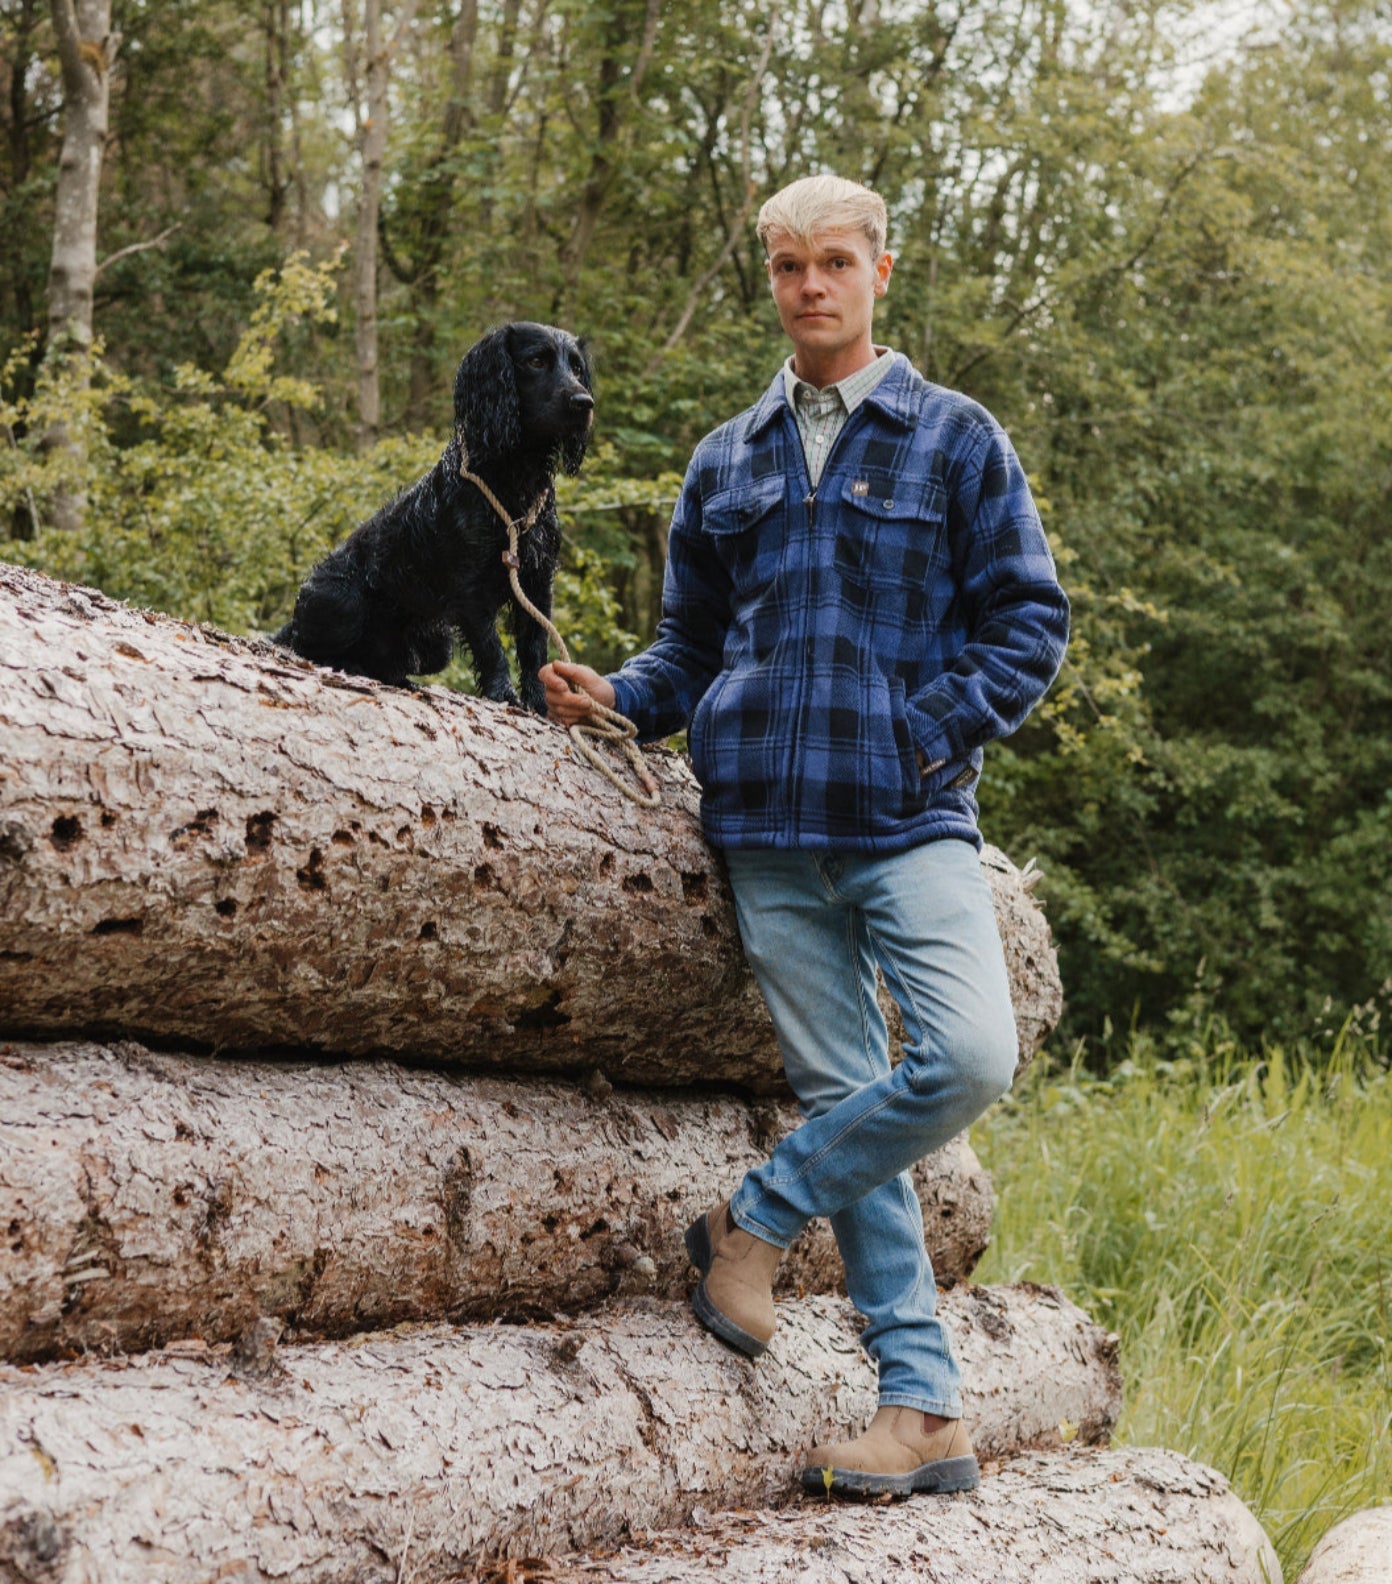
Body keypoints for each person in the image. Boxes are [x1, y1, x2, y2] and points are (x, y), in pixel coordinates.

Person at [541, 174, 1069, 1499]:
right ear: (770, 278)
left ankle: (756, 1215)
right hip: (765, 832)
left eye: (835, 262)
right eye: (789, 267)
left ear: (880, 271)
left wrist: (925, 731)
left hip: (909, 820)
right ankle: (923, 1409)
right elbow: (693, 643)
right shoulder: (729, 456)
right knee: (851, 1105)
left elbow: (1029, 624)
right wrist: (625, 695)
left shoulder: (954, 439)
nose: (811, 286)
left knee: (966, 1060)